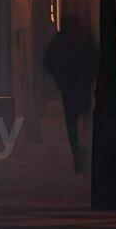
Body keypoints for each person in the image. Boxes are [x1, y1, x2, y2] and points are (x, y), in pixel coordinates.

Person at [42, 17, 97, 173]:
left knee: (72, 123)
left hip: (68, 87)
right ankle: (81, 150)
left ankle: (77, 152)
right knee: (83, 119)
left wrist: (59, 77)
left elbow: (48, 60)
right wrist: (90, 76)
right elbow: (95, 57)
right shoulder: (84, 38)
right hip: (82, 85)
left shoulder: (61, 40)